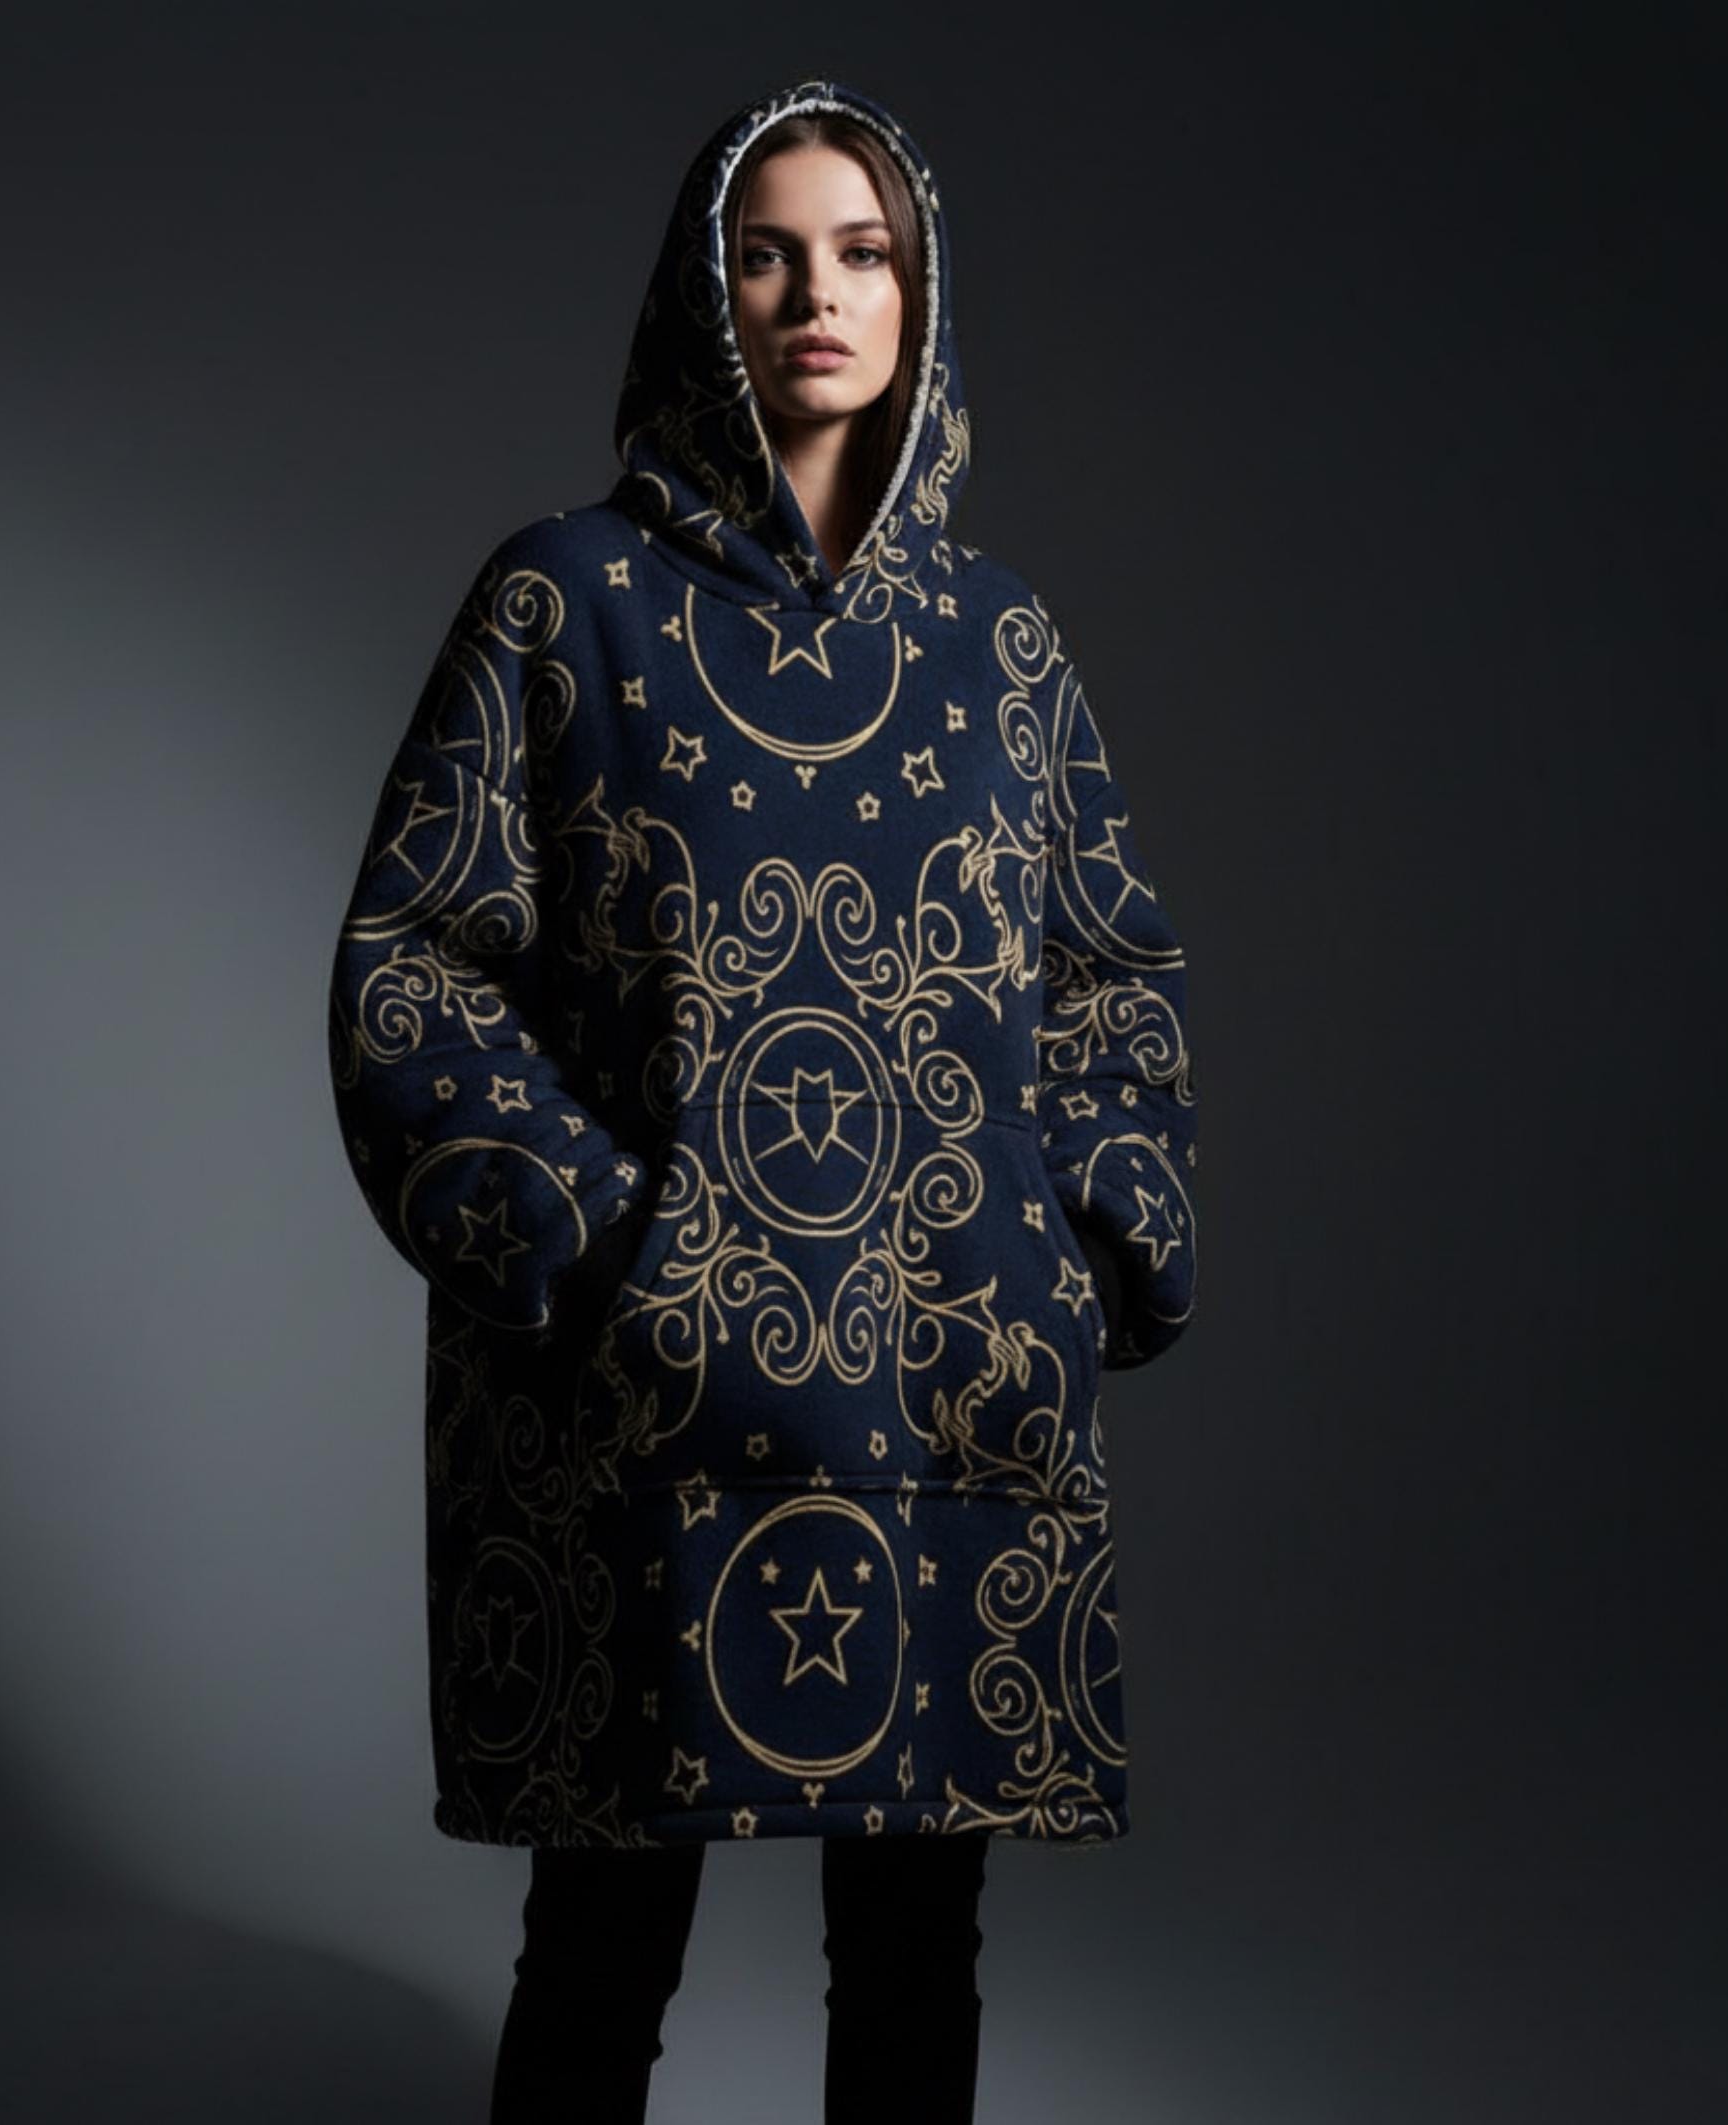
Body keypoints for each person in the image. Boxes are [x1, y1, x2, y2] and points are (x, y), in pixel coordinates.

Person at [326, 76, 1200, 2124]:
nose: (818, 295)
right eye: (768, 253)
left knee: (916, 1955)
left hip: (944, 1400)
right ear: (699, 291)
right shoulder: (561, 602)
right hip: (642, 1417)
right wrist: (614, 1254)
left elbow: (1113, 971)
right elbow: (413, 967)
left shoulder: (999, 645)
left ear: (918, 296)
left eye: (863, 253)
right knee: (599, 1949)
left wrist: (1079, 1249)